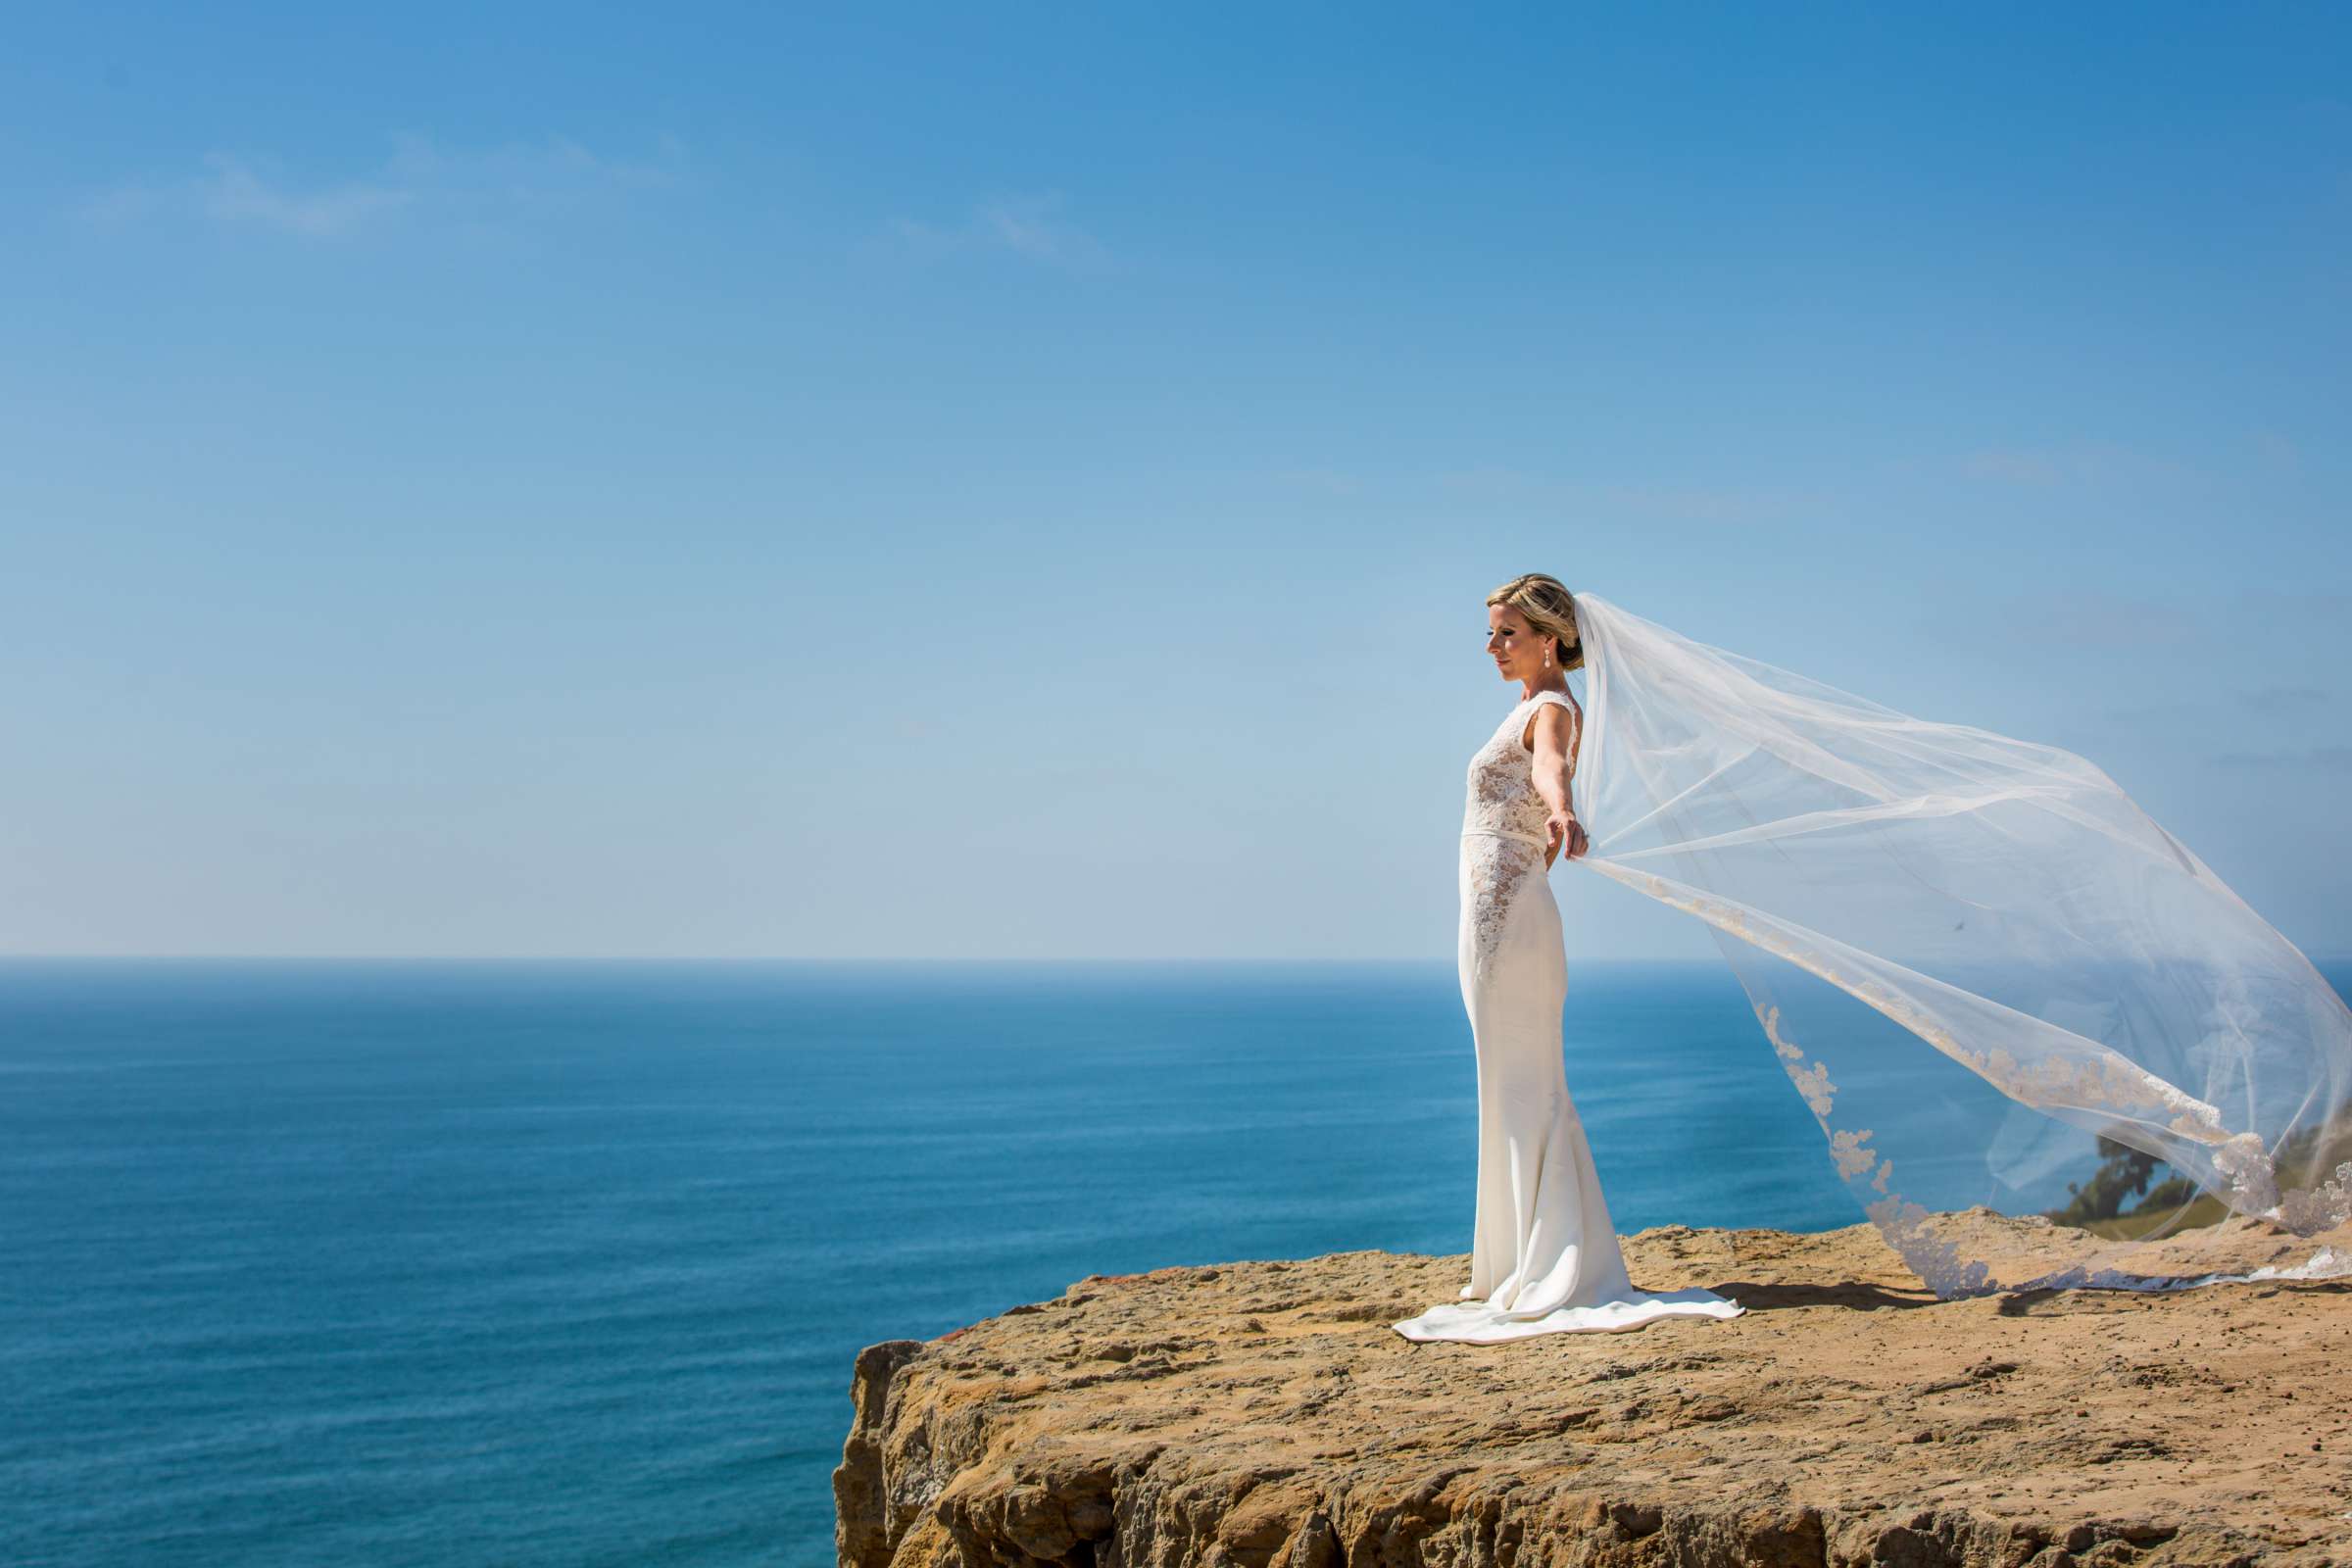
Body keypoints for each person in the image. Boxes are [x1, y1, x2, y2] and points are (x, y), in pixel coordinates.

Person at [1393, 574, 1746, 1342]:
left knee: (1524, 1077)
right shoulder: (1523, 706)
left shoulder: (1550, 709)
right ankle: (1519, 1255)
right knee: (1509, 1076)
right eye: (1490, 633)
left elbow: (1554, 767)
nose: (1492, 646)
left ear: (1548, 640)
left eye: (1505, 634)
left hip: (1506, 916)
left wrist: (1561, 810)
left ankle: (1549, 1261)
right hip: (1495, 909)